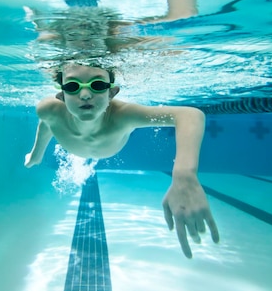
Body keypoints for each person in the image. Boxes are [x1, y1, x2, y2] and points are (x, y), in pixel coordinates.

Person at [25, 62, 218, 259]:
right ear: (62, 96)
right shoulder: (47, 110)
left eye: (98, 85)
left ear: (111, 93)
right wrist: (36, 153)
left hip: (110, 145)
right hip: (88, 146)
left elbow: (190, 115)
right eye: (73, 87)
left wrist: (184, 176)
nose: (84, 95)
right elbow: (47, 124)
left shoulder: (124, 116)